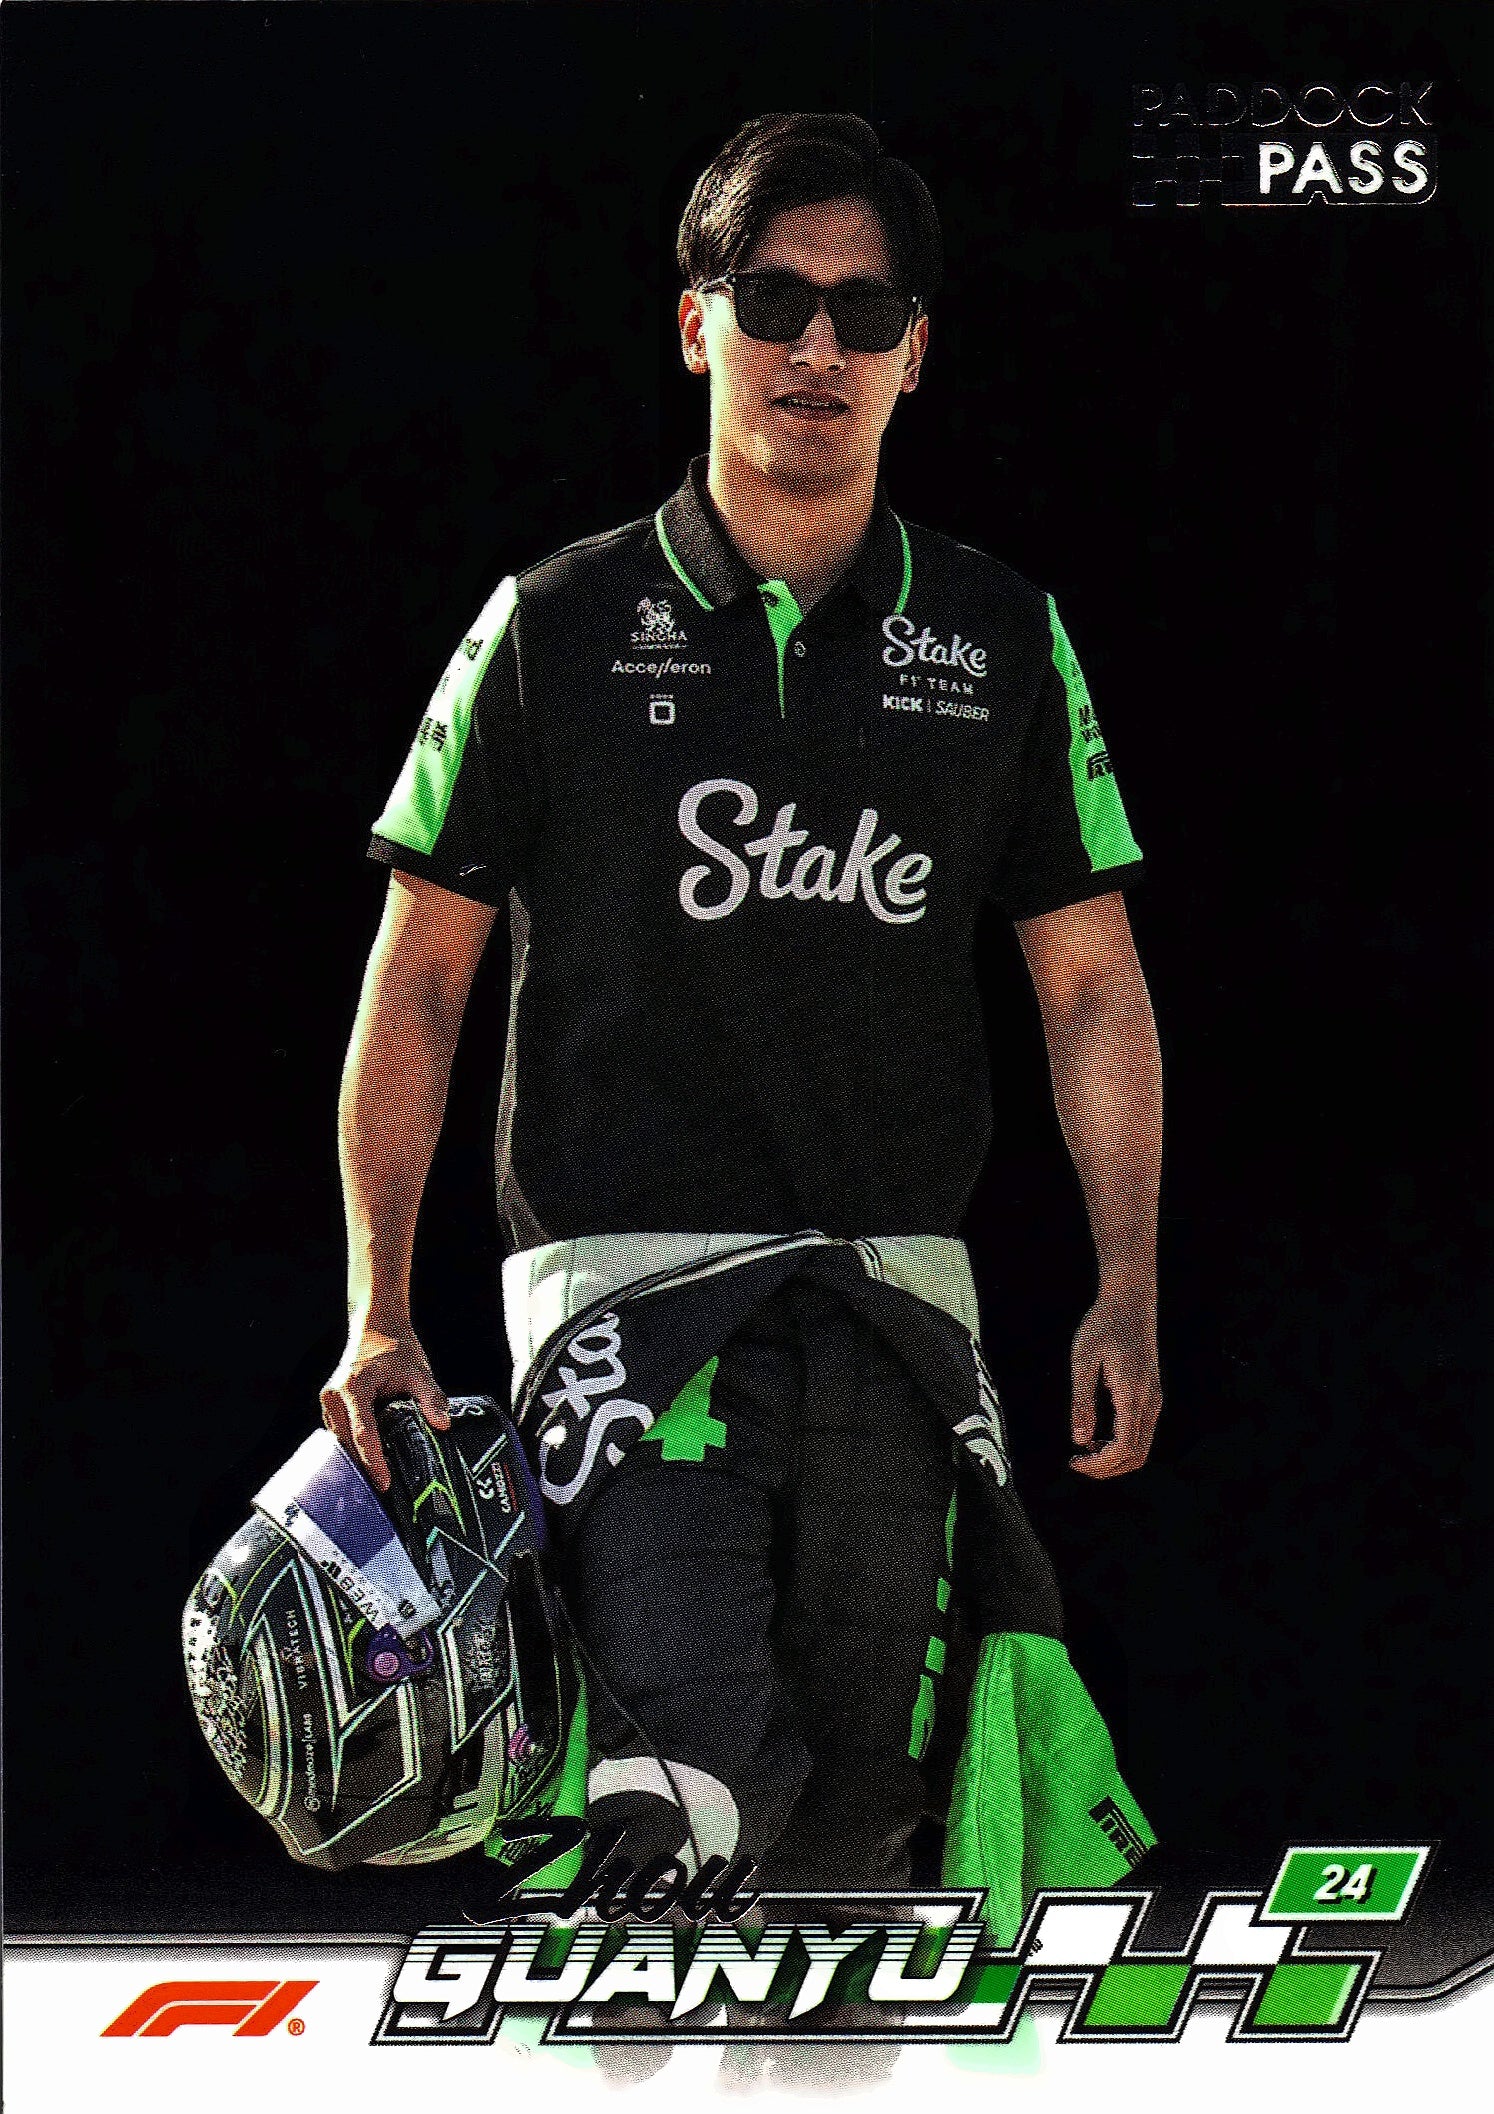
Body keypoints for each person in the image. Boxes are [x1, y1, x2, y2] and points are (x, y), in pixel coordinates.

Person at [320, 112, 1162, 1902]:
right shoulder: (549, 623)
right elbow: (419, 975)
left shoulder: (1001, 634)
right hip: (624, 1322)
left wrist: (1127, 1279)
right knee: (669, 1789)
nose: (817, 347)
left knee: (861, 1834)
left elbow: (1090, 981)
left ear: (916, 353)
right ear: (695, 324)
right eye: (773, 299)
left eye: (867, 312)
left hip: (894, 1307)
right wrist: (378, 1307)